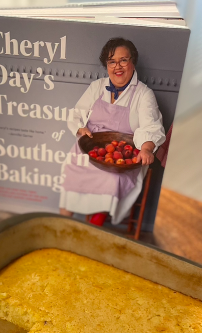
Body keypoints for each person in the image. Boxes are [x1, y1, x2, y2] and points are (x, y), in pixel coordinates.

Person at [59, 38, 166, 225]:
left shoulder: (144, 94)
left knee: (112, 177)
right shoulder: (97, 87)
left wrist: (147, 148)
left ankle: (95, 223)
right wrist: (80, 128)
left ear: (133, 62)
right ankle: (60, 226)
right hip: (91, 146)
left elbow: (151, 126)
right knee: (71, 166)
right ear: (106, 65)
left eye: (123, 60)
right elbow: (77, 113)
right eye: (111, 61)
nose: (118, 66)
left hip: (123, 153)